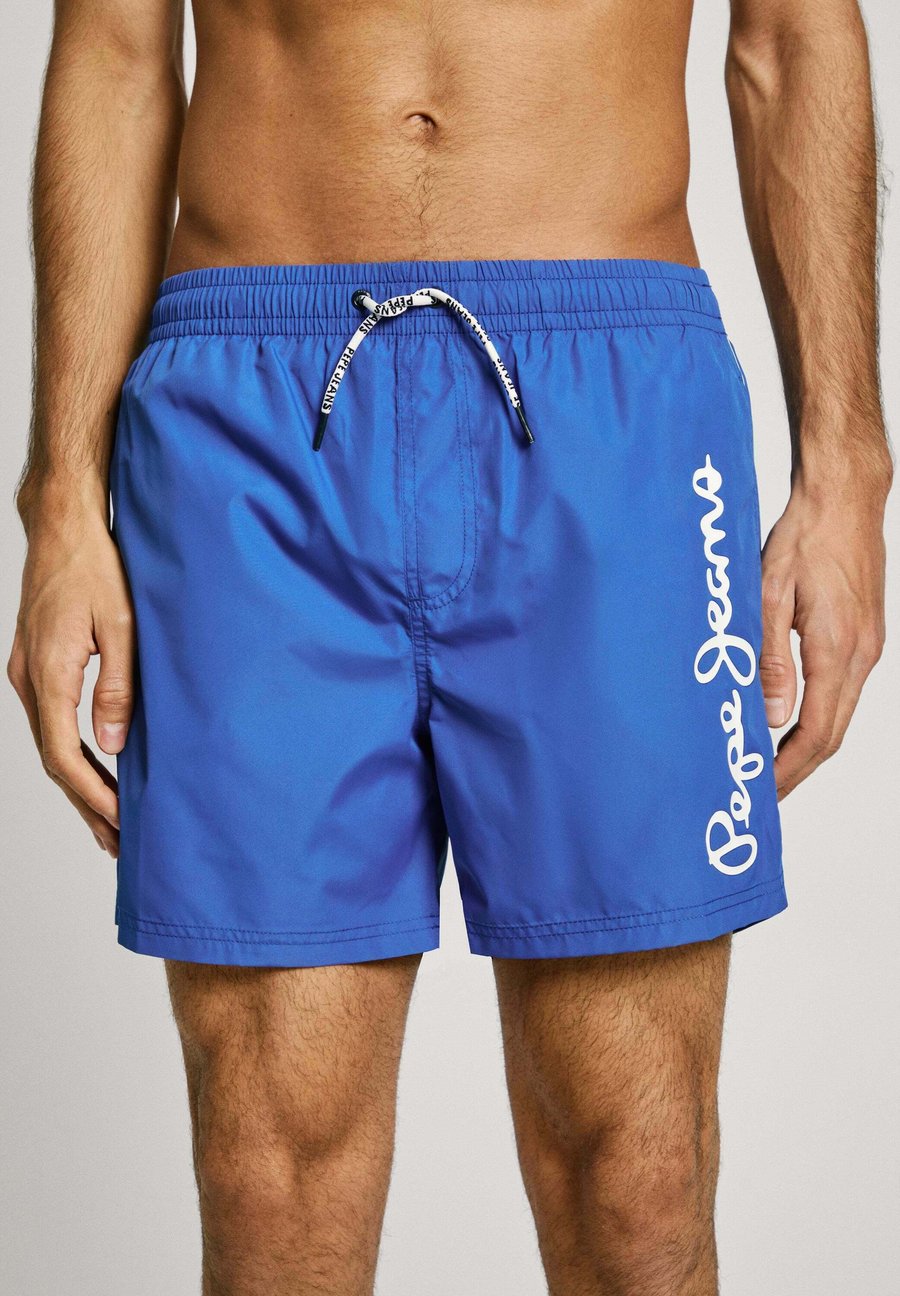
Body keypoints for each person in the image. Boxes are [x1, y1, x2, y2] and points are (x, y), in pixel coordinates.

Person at [8, 0, 891, 1291]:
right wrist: (62, 502)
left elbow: (792, 36)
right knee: (269, 1179)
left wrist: (849, 471)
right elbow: (115, 50)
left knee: (638, 1181)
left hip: (611, 397)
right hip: (249, 410)